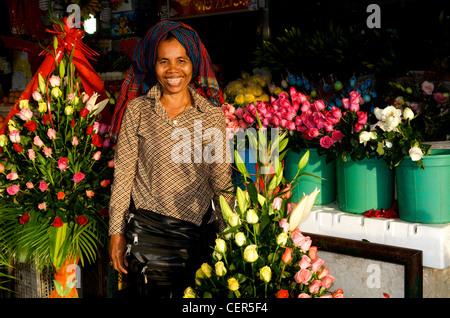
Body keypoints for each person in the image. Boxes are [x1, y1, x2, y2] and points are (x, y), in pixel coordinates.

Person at [108, 20, 234, 298]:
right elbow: (124, 177)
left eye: (182, 60)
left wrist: (231, 236)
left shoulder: (210, 115)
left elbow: (222, 182)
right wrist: (116, 234)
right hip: (147, 232)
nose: (173, 70)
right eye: (164, 61)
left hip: (194, 234)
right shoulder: (138, 110)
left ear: (194, 64)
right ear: (153, 65)